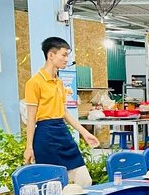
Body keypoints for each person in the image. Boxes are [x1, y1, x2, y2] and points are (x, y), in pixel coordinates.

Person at [23, 37, 99, 186]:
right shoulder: (34, 83)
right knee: (53, 185)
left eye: (67, 55)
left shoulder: (59, 82)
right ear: (51, 55)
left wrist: (85, 133)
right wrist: (29, 147)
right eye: (64, 55)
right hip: (45, 135)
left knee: (84, 181)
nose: (66, 59)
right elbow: (31, 118)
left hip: (62, 132)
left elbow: (64, 112)